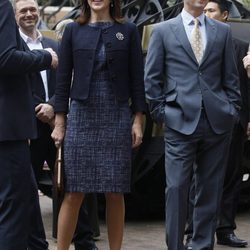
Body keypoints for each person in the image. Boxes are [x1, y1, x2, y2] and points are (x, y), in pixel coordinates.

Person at [144, 0, 242, 248]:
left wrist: (232, 110)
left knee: (209, 191)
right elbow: (152, 78)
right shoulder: (163, 30)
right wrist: (162, 114)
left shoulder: (223, 31)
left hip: (217, 122)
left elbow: (230, 77)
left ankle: (201, 246)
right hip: (179, 122)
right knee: (176, 189)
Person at [51, 0, 146, 249]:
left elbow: (138, 79)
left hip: (116, 116)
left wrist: (137, 119)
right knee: (74, 191)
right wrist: (60, 122)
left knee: (115, 191)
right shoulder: (72, 30)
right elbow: (62, 81)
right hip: (82, 117)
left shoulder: (128, 30)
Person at [13, 1, 99, 249]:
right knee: (28, 190)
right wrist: (40, 109)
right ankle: (36, 243)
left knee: (71, 185)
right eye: (23, 11)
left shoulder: (54, 45)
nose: (29, 14)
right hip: (27, 129)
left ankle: (84, 241)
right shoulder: (12, 48)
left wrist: (53, 106)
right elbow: (14, 88)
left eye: (32, 9)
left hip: (58, 125)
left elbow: (68, 80)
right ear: (14, 15)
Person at [184, 0, 249, 248]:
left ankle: (224, 230)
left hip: (231, 123)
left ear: (224, 15)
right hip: (197, 121)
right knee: (197, 179)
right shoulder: (192, 42)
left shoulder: (240, 47)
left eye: (212, 11)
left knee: (231, 177)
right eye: (205, 10)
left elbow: (244, 88)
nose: (207, 14)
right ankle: (194, 232)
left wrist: (245, 118)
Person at [0, 0, 58, 249]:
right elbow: (6, 59)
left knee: (27, 196)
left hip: (14, 128)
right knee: (13, 206)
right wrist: (45, 57)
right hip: (7, 130)